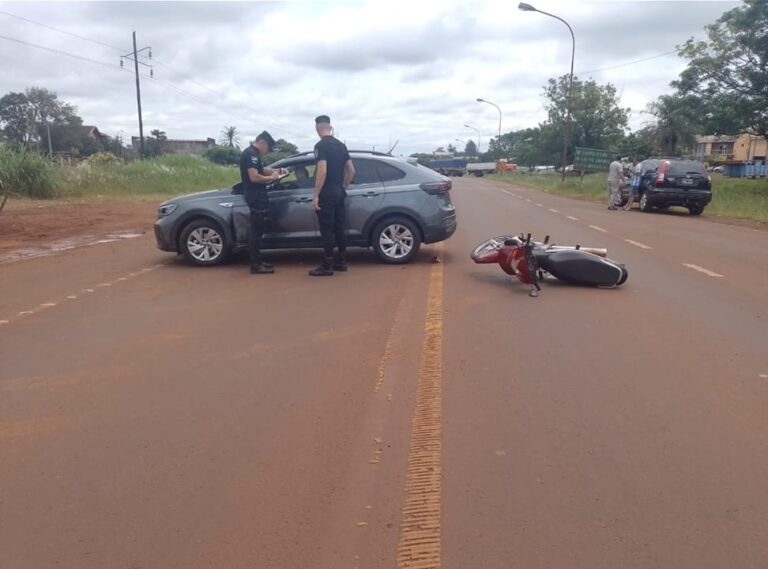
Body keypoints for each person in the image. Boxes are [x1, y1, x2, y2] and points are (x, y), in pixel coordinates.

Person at [309, 115, 355, 277]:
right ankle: (341, 262)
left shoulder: (320, 146)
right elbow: (351, 170)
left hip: (326, 194)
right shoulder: (341, 146)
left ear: (317, 128)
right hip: (339, 192)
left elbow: (322, 171)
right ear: (330, 127)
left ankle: (327, 265)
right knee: (339, 228)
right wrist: (343, 186)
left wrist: (316, 195)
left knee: (327, 230)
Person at [239, 131, 286, 274]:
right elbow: (254, 177)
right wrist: (272, 178)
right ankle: (255, 265)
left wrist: (277, 170)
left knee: (258, 230)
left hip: (258, 195)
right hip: (255, 196)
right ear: (263, 142)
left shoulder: (253, 154)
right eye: (268, 148)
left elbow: (262, 170)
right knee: (256, 230)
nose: (267, 152)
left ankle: (258, 261)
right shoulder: (250, 155)